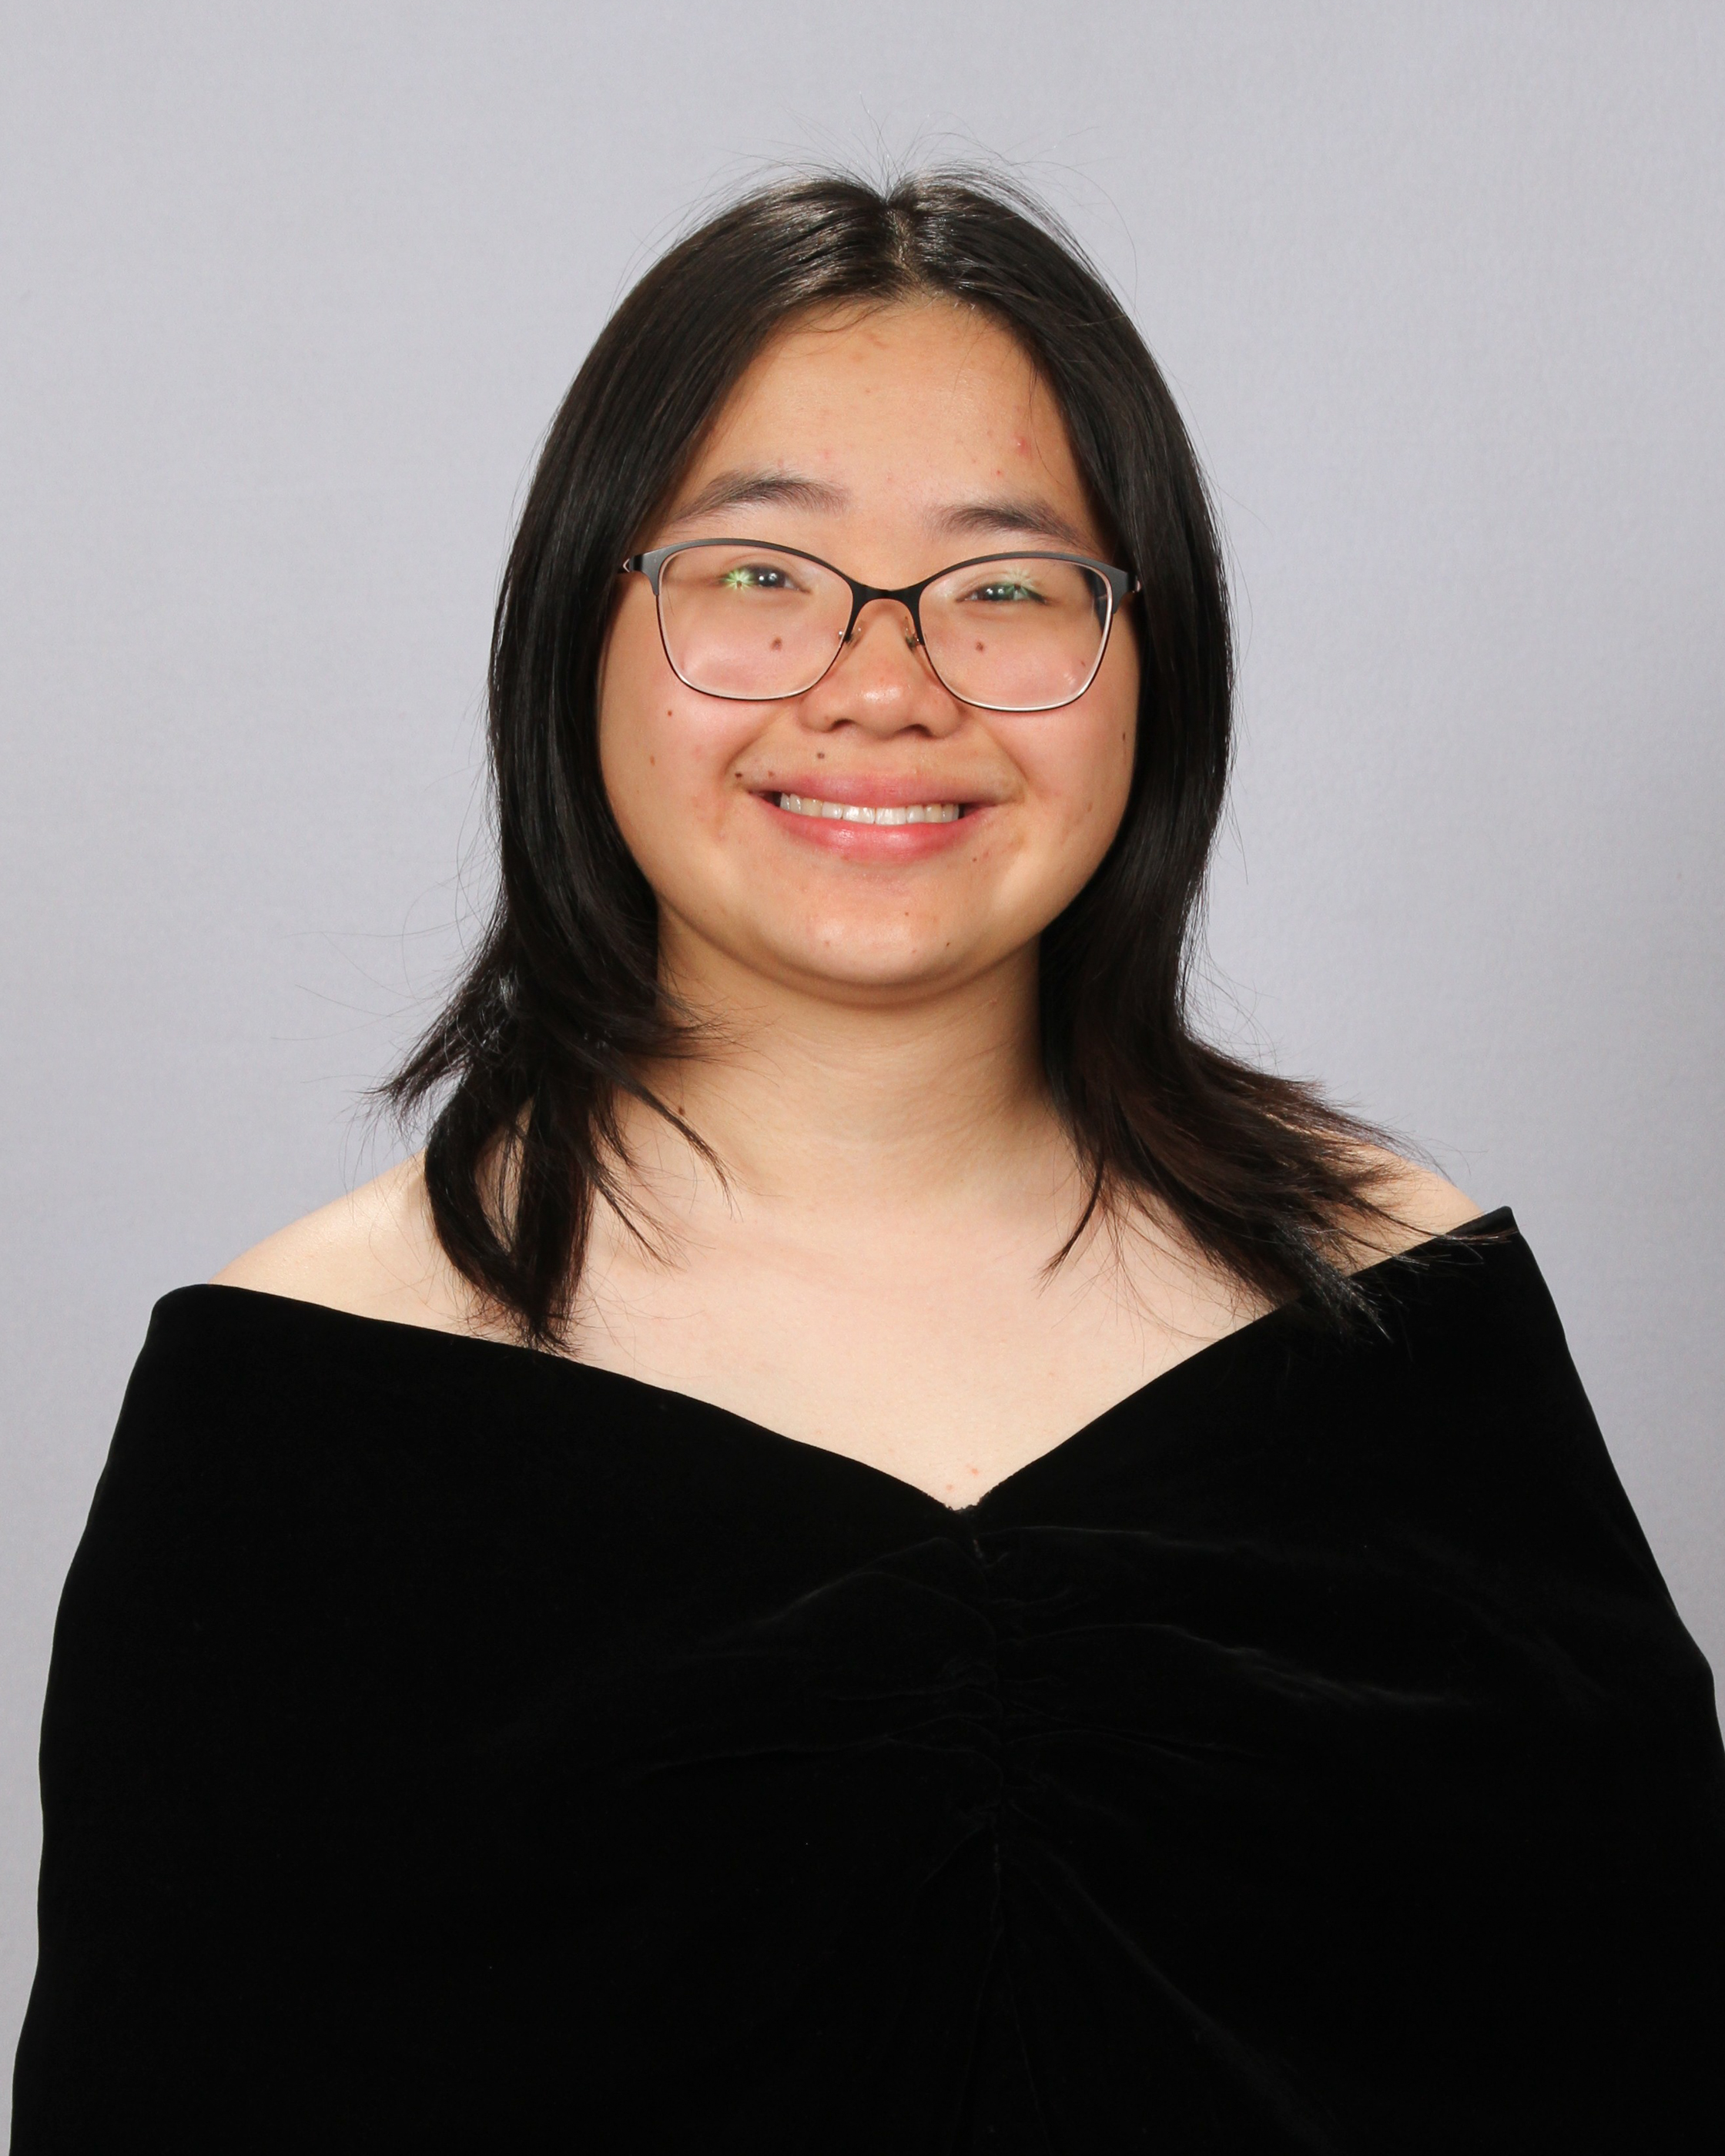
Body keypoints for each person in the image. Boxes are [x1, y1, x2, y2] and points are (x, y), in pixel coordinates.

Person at [13, 171, 1724, 2154]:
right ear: (578, 634)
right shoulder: (298, 1406)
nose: (885, 682)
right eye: (758, 571)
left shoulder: (1399, 1314)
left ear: (1150, 663)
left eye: (1007, 585)